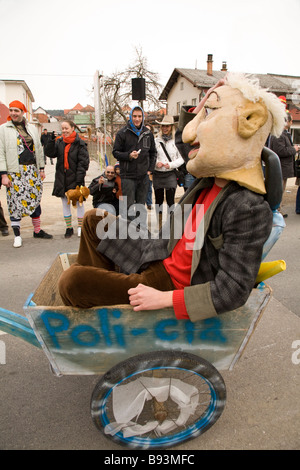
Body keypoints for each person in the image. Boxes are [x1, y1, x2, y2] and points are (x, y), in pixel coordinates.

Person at [58, 74, 286, 322]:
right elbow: (185, 139)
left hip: (169, 284)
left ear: (250, 122)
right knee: (94, 220)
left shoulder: (248, 206)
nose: (190, 135)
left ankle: (105, 306)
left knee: (72, 282)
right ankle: (105, 307)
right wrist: (205, 101)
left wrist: (164, 299)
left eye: (209, 114)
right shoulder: (208, 180)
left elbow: (234, 289)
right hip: (158, 251)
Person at [0, 100, 53, 248]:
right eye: (11, 110)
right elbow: (1, 153)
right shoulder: (3, 129)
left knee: (35, 199)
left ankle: (37, 230)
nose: (13, 113)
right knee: (15, 203)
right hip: (15, 172)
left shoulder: (31, 129)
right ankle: (17, 235)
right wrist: (3, 175)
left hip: (32, 171)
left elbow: (39, 150)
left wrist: (41, 169)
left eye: (16, 110)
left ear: (23, 112)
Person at [46, 120, 90, 238]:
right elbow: (50, 153)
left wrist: (79, 180)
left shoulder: (80, 143)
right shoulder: (59, 142)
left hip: (76, 179)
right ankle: (69, 228)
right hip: (62, 178)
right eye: (63, 128)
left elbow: (83, 163)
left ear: (72, 128)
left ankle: (80, 227)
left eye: (66, 128)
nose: (64, 131)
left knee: (79, 204)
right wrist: (50, 141)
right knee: (65, 204)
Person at [112, 106, 156, 223]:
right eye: (134, 116)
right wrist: (128, 156)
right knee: (129, 208)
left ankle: (141, 233)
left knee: (141, 207)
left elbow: (153, 153)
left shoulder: (147, 133)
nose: (137, 119)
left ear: (143, 117)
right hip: (127, 176)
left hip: (143, 176)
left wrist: (149, 170)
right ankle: (129, 235)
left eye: (139, 116)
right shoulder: (122, 133)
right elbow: (115, 152)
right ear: (130, 117)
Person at [153, 115, 184, 229]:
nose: (165, 128)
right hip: (158, 174)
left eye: (167, 126)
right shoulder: (156, 140)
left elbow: (181, 158)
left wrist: (170, 164)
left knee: (171, 200)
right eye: (163, 126)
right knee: (159, 200)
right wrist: (156, 163)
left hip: (170, 173)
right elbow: (152, 156)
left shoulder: (176, 141)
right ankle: (160, 224)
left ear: (171, 127)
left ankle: (170, 225)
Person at [269, 113, 300, 217]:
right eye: (291, 121)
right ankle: (276, 210)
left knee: (281, 190)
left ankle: (278, 209)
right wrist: (293, 149)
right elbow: (280, 150)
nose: (291, 123)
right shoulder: (279, 134)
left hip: (282, 168)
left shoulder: (283, 133)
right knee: (279, 191)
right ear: (286, 121)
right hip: (281, 168)